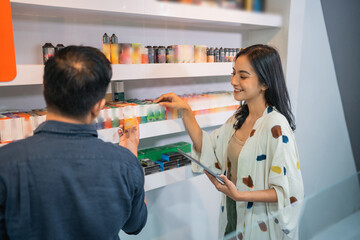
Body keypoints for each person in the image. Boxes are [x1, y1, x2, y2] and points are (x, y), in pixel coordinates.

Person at [154, 44, 304, 239]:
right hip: (234, 219)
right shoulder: (238, 119)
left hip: (260, 227)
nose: (233, 81)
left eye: (243, 76)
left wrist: (240, 195)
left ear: (265, 83)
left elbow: (287, 192)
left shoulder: (276, 127)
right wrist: (186, 111)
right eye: (233, 73)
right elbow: (207, 147)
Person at [0, 46, 147, 240]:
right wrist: (131, 155)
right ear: (99, 106)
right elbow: (135, 225)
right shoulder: (125, 164)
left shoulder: (6, 163)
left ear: (45, 90)